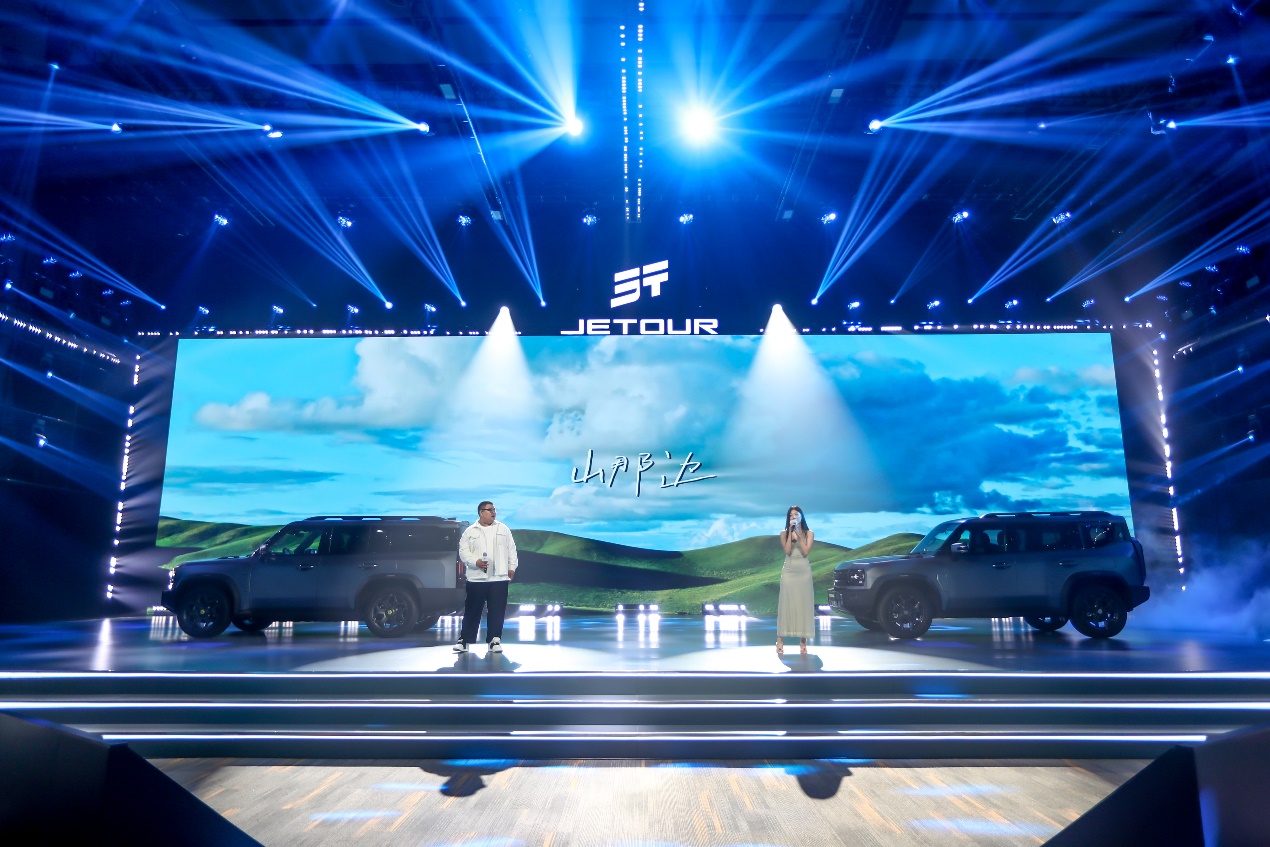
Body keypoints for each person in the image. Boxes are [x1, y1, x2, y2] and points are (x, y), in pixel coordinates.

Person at [455, 501, 518, 654]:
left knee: (497, 610)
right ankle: (465, 641)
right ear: (481, 512)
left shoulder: (503, 529)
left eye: (494, 509)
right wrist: (475, 562)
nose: (493, 512)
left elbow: (511, 549)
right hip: (477, 578)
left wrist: (512, 567)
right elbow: (463, 552)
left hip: (499, 578)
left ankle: (494, 640)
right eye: (490, 510)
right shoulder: (470, 531)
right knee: (472, 610)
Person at [777, 505, 815, 656]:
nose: (793, 517)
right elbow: (787, 551)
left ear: (801, 516)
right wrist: (790, 534)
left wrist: (798, 536)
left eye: (796, 514)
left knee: (803, 603)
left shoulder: (809, 533)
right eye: (791, 515)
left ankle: (803, 641)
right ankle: (780, 640)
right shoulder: (783, 533)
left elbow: (805, 552)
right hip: (789, 570)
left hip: (803, 571)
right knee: (786, 602)